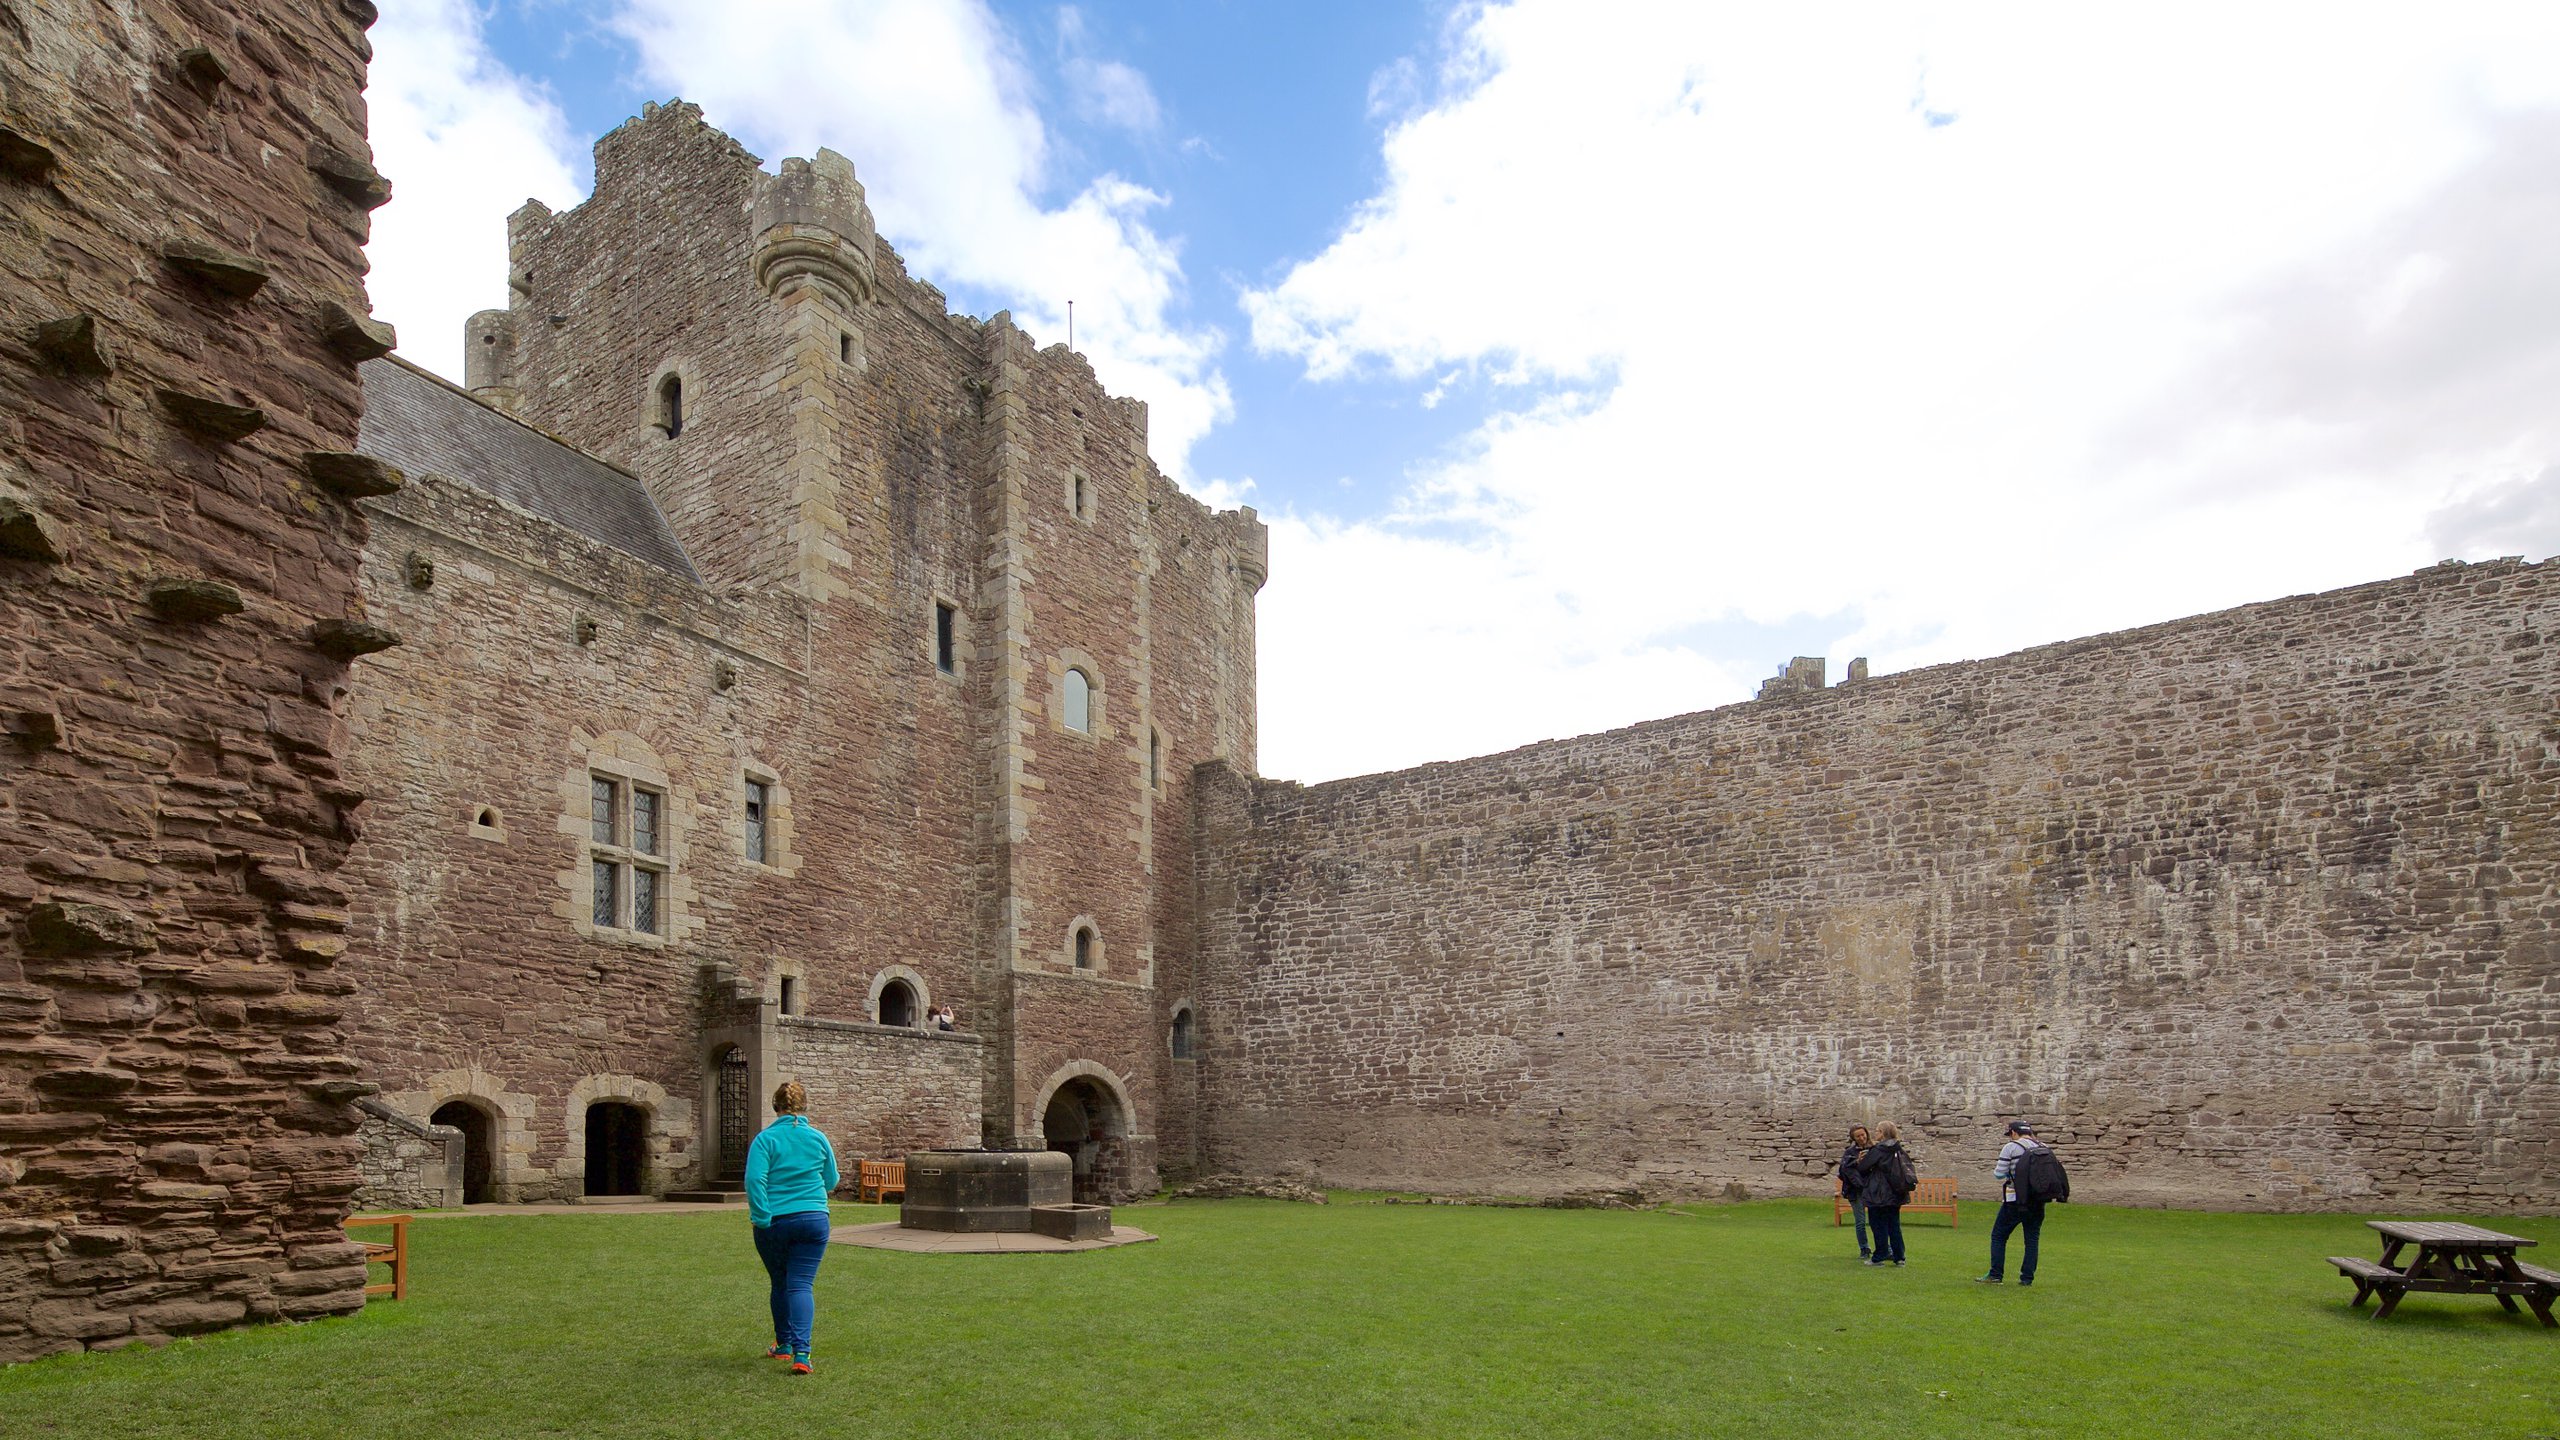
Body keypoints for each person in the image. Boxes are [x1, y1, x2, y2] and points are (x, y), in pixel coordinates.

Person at [747, 1080, 839, 1375]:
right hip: (813, 1219)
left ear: (776, 1108)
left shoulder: (765, 1140)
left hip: (775, 1220)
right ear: (805, 1107)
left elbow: (754, 1181)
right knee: (801, 1284)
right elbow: (832, 1180)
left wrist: (762, 1217)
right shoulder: (818, 1138)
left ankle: (784, 1344)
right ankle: (802, 1353)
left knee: (780, 1281)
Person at [1977, 1120, 2049, 1286]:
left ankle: (1996, 1275)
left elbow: (1999, 1174)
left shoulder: (2011, 1147)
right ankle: (2027, 1278)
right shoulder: (2043, 1146)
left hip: (2015, 1199)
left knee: (1998, 1236)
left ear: (2014, 1133)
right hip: (2037, 1200)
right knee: (2031, 1239)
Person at [1849, 1121, 1915, 1266]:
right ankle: (1899, 1257)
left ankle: (1879, 1256)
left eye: (1878, 1131)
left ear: (1883, 1133)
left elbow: (1864, 1168)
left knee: (1878, 1225)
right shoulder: (1898, 1148)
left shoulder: (1879, 1149)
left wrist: (1861, 1161)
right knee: (1894, 1225)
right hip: (1896, 1192)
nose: (1875, 1134)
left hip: (1879, 1193)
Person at [1837, 1125, 1874, 1260]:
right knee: (1860, 1221)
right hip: (1855, 1190)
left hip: (1872, 1188)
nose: (1862, 1138)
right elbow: (1843, 1170)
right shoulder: (1850, 1152)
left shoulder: (1873, 1148)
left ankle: (1884, 1248)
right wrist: (1857, 1161)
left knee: (1877, 1220)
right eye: (1858, 1136)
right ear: (1853, 1138)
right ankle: (1864, 1248)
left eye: (1863, 1134)